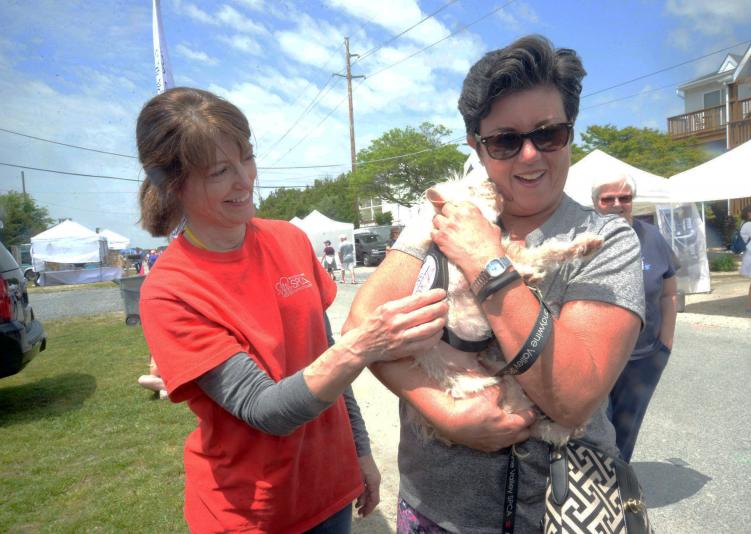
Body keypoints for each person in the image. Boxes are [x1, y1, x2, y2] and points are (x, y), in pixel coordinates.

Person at [343, 35, 645, 533]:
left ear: (571, 132)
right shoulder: (443, 217)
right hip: (435, 510)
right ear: (475, 146)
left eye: (548, 134)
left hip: (557, 512)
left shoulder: (604, 239)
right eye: (505, 141)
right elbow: (362, 329)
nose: (529, 156)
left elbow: (571, 399)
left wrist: (485, 258)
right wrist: (445, 414)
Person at [134, 87, 448, 533]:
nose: (245, 179)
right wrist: (367, 341)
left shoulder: (289, 239)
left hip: (330, 490)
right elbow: (266, 410)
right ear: (173, 184)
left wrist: (359, 450)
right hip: (252, 514)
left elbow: (325, 356)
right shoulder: (171, 288)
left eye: (246, 157)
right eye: (221, 171)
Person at [591, 174, 678, 462]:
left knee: (626, 430)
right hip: (594, 358)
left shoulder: (651, 236)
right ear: (595, 204)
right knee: (593, 429)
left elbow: (668, 295)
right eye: (608, 199)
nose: (617, 204)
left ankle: (617, 489)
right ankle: (590, 488)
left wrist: (665, 345)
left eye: (624, 198)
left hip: (643, 358)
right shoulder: (584, 242)